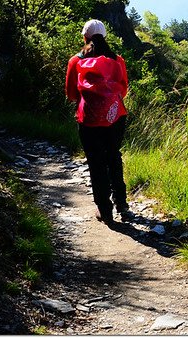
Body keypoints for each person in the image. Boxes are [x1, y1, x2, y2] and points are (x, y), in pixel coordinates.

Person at [65, 19, 131, 223]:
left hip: (88, 119)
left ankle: (104, 209)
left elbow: (71, 94)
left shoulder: (75, 61)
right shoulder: (117, 59)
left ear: (84, 37)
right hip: (115, 116)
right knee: (113, 156)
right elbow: (124, 89)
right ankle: (122, 203)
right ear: (105, 37)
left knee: (96, 162)